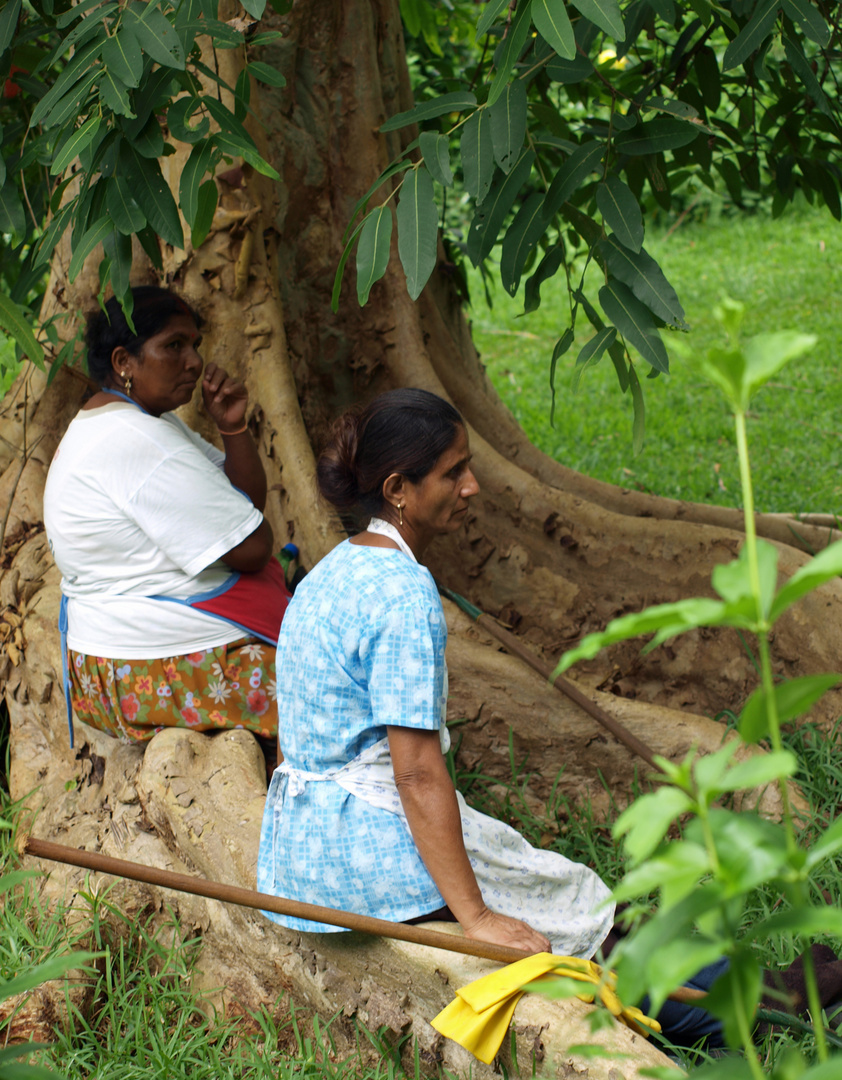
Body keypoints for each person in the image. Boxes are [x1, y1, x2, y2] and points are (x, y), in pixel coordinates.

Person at [257, 387, 727, 1052]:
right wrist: (476, 916)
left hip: (302, 854)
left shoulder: (332, 571)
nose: (472, 486)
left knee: (564, 892)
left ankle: (753, 985)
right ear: (399, 488)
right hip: (370, 853)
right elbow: (417, 773)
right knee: (577, 917)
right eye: (453, 472)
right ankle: (747, 1006)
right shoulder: (401, 593)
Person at [44, 286, 291, 750]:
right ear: (124, 361)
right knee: (333, 687)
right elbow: (253, 547)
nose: (194, 361)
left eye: (194, 345)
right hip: (140, 673)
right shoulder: (137, 441)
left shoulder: (136, 421)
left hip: (108, 669)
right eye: (174, 346)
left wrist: (232, 426)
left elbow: (242, 504)